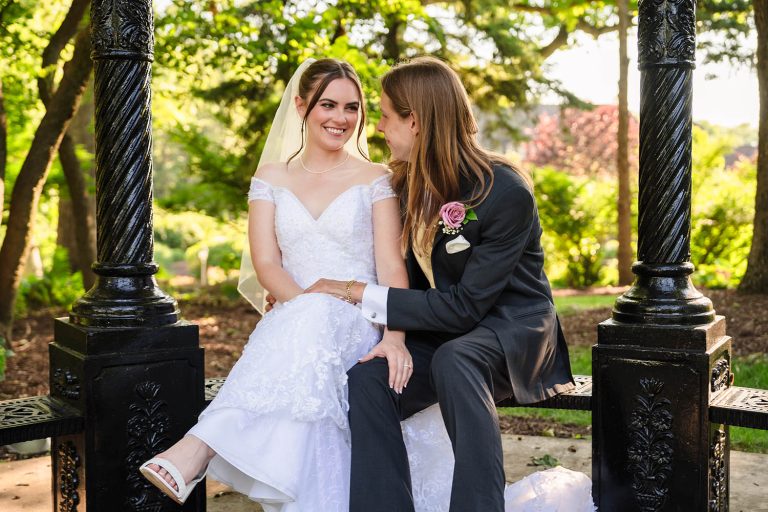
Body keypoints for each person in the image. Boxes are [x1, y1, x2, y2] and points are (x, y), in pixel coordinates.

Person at [305, 56, 577, 512]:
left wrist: (352, 290)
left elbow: (466, 306)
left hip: (510, 331)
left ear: (415, 121)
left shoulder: (503, 191)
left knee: (457, 358)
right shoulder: (405, 184)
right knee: (369, 379)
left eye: (387, 117)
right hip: (444, 330)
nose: (380, 129)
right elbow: (392, 267)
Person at [139, 58, 412, 511]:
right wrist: (304, 305)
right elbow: (267, 264)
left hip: (360, 318)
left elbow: (391, 269)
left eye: (352, 108)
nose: (341, 119)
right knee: (310, 322)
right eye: (328, 105)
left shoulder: (375, 179)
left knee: (316, 320)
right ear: (302, 106)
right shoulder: (270, 179)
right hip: (296, 315)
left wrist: (396, 336)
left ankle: (200, 447)